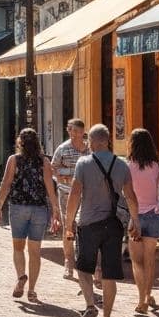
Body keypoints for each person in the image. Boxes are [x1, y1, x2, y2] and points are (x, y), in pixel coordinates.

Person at [64, 124, 141, 317]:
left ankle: (90, 304)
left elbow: (74, 195)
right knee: (109, 274)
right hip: (114, 225)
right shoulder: (122, 165)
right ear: (107, 141)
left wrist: (69, 223)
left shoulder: (83, 163)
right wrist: (136, 220)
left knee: (84, 268)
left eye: (89, 140)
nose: (87, 144)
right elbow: (130, 195)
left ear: (94, 141)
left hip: (88, 223)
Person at [0, 128, 60, 301]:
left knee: (18, 248)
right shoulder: (44, 161)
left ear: (19, 142)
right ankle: (31, 290)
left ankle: (21, 276)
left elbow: (6, 183)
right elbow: (50, 187)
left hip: (18, 207)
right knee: (35, 251)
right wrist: (55, 210)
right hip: (39, 209)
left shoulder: (14, 160)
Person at [128, 128, 159, 314]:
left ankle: (141, 300)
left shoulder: (128, 167)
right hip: (154, 213)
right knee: (150, 260)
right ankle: (148, 295)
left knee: (137, 261)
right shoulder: (157, 165)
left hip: (135, 217)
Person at [51, 118, 90, 279]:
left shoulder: (89, 149)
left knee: (85, 227)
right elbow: (53, 168)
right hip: (66, 193)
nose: (75, 134)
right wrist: (61, 177)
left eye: (78, 132)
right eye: (73, 131)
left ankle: (85, 262)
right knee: (68, 226)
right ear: (68, 130)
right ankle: (68, 262)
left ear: (83, 132)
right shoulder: (62, 149)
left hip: (86, 194)